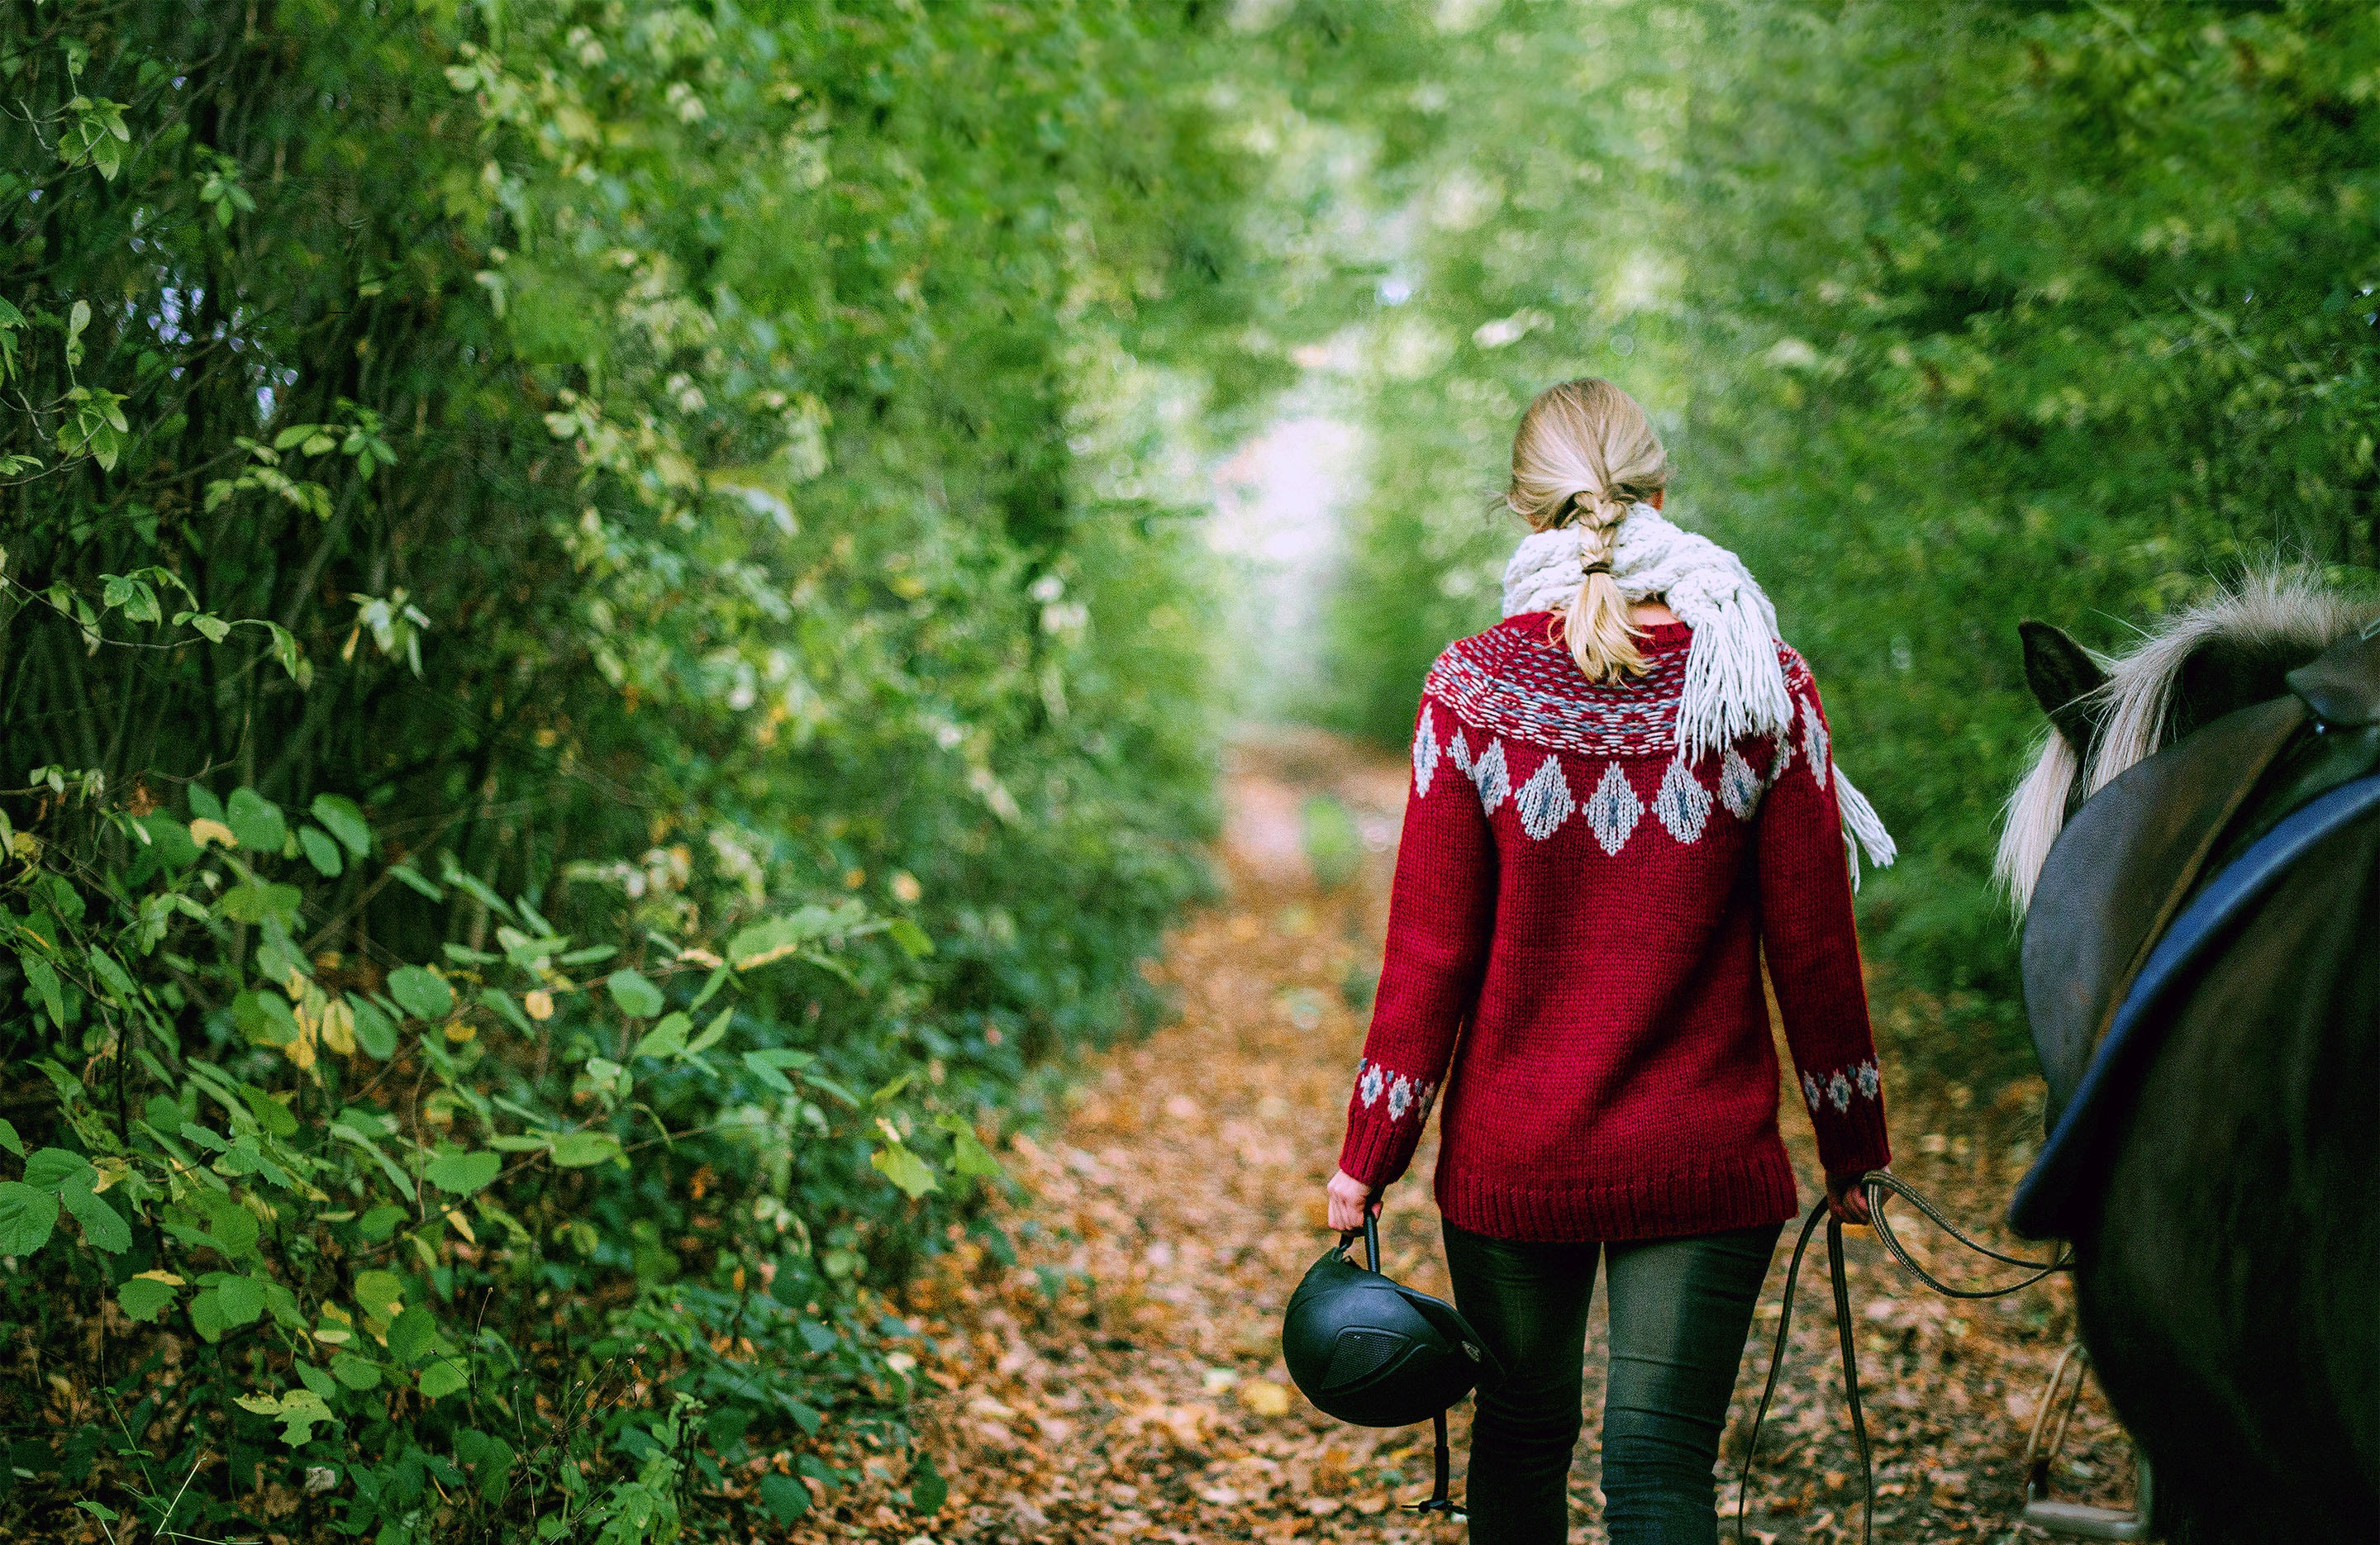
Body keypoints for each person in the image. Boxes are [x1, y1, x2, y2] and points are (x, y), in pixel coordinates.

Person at [1322, 378, 1898, 1544]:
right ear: (1661, 492)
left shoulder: (1471, 688)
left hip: (1513, 1156)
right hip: (1703, 1148)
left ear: (1522, 510)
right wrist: (1856, 1145)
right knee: (1660, 1469)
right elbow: (1815, 947)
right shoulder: (1759, 681)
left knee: (1523, 1447)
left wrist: (1366, 1157)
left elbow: (1431, 954)